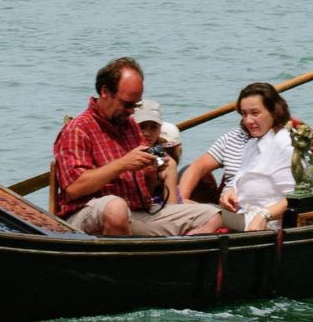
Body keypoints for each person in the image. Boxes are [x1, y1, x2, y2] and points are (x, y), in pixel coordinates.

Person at [52, 58, 222, 237]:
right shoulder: (78, 129)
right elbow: (73, 189)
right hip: (84, 215)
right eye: (127, 104)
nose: (132, 111)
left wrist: (152, 173)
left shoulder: (131, 127)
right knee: (116, 208)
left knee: (211, 216)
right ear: (105, 92)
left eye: (136, 105)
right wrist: (122, 164)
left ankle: (176, 259)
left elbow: (147, 189)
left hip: (135, 212)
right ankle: (128, 263)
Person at [217, 82, 294, 232]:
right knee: (191, 210)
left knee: (200, 214)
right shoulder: (251, 145)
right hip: (241, 216)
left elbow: (295, 199)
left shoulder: (285, 145)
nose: (248, 121)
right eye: (244, 114)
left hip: (264, 227)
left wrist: (263, 215)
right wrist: (230, 192)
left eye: (255, 113)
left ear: (274, 111)